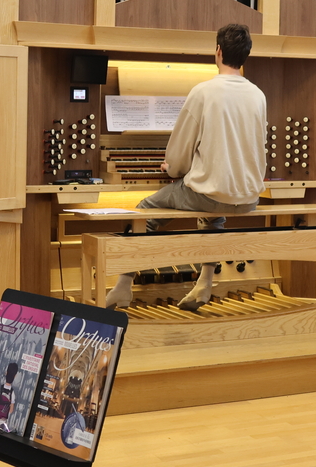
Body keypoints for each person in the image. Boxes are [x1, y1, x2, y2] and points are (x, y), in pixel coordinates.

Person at [105, 24, 267, 311]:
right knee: (214, 209)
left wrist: (173, 169)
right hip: (248, 198)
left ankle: (123, 286)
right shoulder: (258, 94)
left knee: (144, 212)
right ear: (246, 55)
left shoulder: (203, 92)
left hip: (211, 195)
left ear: (218, 52)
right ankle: (205, 282)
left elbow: (180, 153)